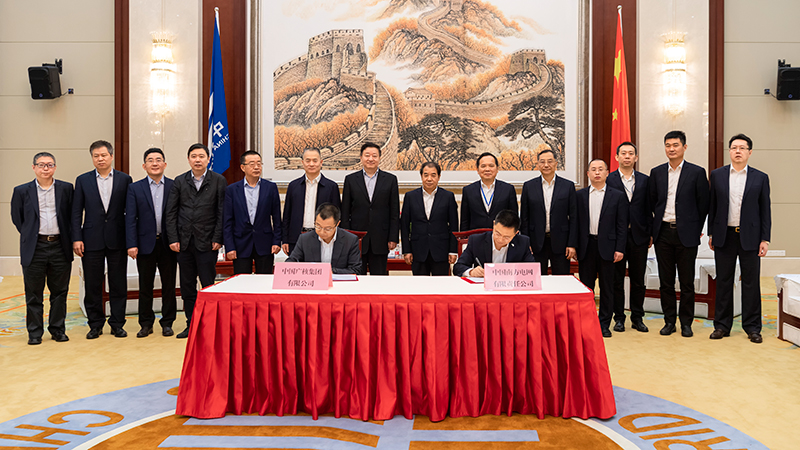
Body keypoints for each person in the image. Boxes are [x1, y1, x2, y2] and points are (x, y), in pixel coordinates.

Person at [708, 134, 771, 344]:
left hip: (750, 237)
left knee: (751, 283)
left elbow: (765, 210)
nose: (738, 151)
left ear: (749, 152)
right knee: (724, 281)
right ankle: (721, 326)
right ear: (729, 151)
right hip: (724, 236)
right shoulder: (717, 175)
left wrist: (765, 239)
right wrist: (711, 233)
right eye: (734, 147)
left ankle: (752, 328)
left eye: (742, 148)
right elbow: (712, 206)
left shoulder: (760, 177)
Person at [648, 130, 709, 337]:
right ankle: (669, 321)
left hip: (687, 235)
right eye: (668, 145)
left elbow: (703, 204)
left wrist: (695, 229)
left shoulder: (697, 172)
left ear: (684, 147)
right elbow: (652, 202)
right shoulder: (656, 172)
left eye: (675, 145)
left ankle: (686, 323)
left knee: (686, 282)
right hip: (663, 233)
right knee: (666, 281)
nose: (671, 149)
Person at [11, 152, 73, 345]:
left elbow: (72, 215)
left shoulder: (66, 188)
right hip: (35, 247)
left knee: (60, 292)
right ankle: (35, 332)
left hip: (60, 246)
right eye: (41, 165)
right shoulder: (21, 191)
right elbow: (18, 218)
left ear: (55, 167)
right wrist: (31, 235)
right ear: (34, 167)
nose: (46, 168)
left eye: (50, 164)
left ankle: (57, 330)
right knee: (34, 293)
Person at [165, 143, 227, 339]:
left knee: (208, 284)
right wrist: (173, 238)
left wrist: (218, 238)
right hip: (184, 243)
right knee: (187, 286)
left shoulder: (218, 180)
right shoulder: (180, 181)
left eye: (201, 156)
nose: (197, 160)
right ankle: (191, 324)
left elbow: (222, 212)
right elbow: (171, 212)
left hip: (208, 242)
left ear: (208, 159)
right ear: (188, 159)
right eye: (194, 156)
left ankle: (210, 324)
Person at [72, 140, 132, 339]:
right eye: (96, 156)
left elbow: (130, 212)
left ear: (111, 156)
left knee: (118, 284)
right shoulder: (82, 180)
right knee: (92, 285)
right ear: (92, 158)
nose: (100, 159)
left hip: (117, 239)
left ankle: (117, 324)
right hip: (91, 239)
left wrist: (131, 240)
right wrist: (76, 238)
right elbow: (76, 212)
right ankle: (95, 324)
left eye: (104, 155)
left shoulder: (125, 179)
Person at [125, 148, 177, 338]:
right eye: (150, 160)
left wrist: (177, 240)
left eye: (158, 160)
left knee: (169, 285)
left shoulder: (174, 186)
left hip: (168, 244)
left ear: (165, 164)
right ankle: (146, 323)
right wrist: (131, 244)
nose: (155, 163)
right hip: (144, 244)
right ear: (144, 165)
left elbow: (178, 216)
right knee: (145, 286)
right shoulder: (135, 188)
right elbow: (130, 218)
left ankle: (167, 322)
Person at [576, 159, 629, 338]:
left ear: (607, 173)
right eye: (593, 169)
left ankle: (604, 323)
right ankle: (587, 322)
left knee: (607, 288)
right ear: (588, 174)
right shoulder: (580, 195)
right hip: (586, 247)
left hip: (609, 247)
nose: (597, 172)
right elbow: (575, 223)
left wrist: (620, 248)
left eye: (601, 169)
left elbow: (622, 225)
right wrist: (574, 246)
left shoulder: (617, 196)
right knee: (587, 287)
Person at [607, 142, 652, 333]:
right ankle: (619, 318)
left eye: (631, 153)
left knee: (638, 280)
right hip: (616, 238)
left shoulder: (645, 180)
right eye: (623, 153)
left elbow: (649, 208)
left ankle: (637, 317)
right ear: (616, 157)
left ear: (636, 157)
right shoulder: (609, 179)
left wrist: (650, 233)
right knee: (616, 280)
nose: (627, 156)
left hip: (639, 236)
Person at [340, 142, 399, 275]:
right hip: (356, 239)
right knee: (356, 277)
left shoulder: (390, 180)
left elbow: (394, 212)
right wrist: (345, 237)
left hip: (381, 238)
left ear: (379, 158)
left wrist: (393, 237)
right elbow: (345, 212)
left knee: (379, 279)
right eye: (367, 155)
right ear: (361, 157)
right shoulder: (350, 180)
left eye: (374, 156)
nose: (371, 159)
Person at [520, 149, 578, 275]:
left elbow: (574, 217)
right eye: (542, 162)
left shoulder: (567, 186)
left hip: (561, 242)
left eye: (550, 161)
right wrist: (525, 243)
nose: (546, 165)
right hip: (535, 242)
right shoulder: (529, 186)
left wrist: (572, 244)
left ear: (556, 163)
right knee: (537, 279)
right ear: (538, 164)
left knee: (561, 278)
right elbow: (524, 218)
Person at [223, 151, 281, 274]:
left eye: (259, 164)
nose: (256, 167)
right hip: (240, 244)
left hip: (265, 243)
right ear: (242, 167)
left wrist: (277, 241)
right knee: (242, 281)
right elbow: (227, 221)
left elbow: (276, 218)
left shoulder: (270, 188)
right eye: (252, 164)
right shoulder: (232, 190)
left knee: (264, 281)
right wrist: (230, 246)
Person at [401, 162, 458, 276]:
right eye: (426, 175)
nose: (429, 179)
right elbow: (404, 225)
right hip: (418, 251)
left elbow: (454, 225)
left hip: (441, 251)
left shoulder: (448, 196)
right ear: (421, 176)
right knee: (420, 285)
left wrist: (453, 250)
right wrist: (406, 250)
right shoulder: (410, 197)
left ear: (439, 177)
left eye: (433, 175)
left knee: (441, 285)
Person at [282, 148, 341, 255]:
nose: (311, 164)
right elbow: (287, 215)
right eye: (308, 160)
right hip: (296, 238)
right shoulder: (293, 186)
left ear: (321, 162)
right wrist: (285, 239)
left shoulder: (331, 187)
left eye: (315, 160)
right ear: (302, 163)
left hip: (323, 238)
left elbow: (336, 217)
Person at [453, 210, 535, 277]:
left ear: (516, 233)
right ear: (494, 224)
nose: (500, 239)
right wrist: (471, 272)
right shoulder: (476, 241)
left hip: (511, 287)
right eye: (497, 233)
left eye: (506, 237)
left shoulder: (523, 242)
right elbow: (458, 267)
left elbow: (532, 270)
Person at [286, 203, 362, 274]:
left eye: (327, 229)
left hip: (338, 282)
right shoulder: (304, 239)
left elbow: (356, 269)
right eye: (318, 226)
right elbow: (291, 261)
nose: (322, 232)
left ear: (337, 224)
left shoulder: (350, 240)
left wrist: (330, 271)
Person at [460, 152, 518, 231]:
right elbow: (465, 220)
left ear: (497, 169)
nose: (487, 169)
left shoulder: (508, 189)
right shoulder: (468, 190)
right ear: (477, 170)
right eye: (483, 166)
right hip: (475, 236)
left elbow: (513, 218)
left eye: (491, 166)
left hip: (501, 236)